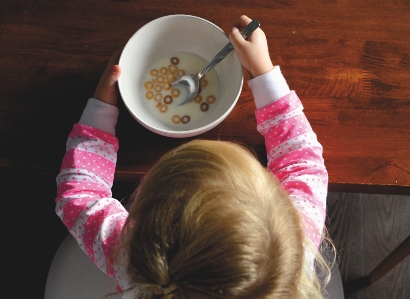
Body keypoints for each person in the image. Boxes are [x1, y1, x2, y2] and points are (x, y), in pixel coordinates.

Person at [55, 15, 340, 299]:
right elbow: (302, 161)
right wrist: (264, 72)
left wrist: (101, 106)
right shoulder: (294, 249)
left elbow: (79, 194)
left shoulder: (128, 259)